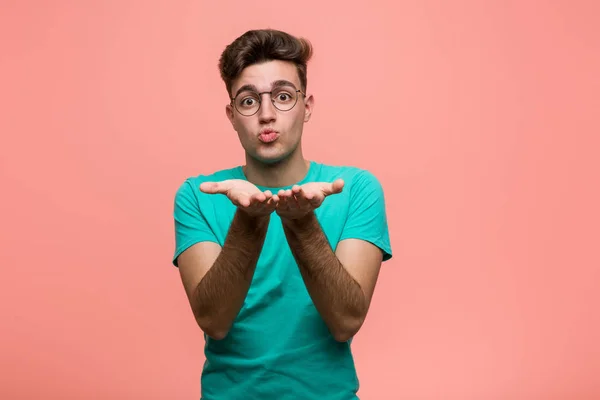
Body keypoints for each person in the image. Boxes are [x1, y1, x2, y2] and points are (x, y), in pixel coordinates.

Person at [172, 28, 392, 400]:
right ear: (231, 115)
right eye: (248, 101)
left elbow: (345, 322)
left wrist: (302, 222)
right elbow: (214, 321)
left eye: (283, 96)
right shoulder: (198, 195)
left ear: (306, 107)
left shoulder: (355, 189)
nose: (267, 114)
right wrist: (250, 220)